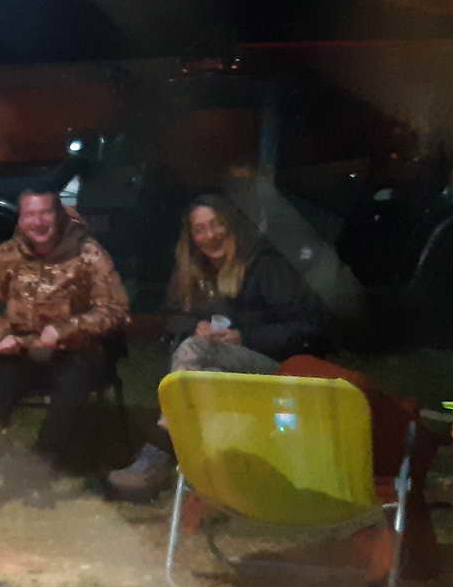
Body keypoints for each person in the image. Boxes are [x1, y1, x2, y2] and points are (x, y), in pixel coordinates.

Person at [108, 192, 327, 497]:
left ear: (231, 225)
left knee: (192, 351)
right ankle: (208, 478)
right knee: (198, 361)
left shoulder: (264, 266)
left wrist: (245, 336)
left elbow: (309, 327)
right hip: (214, 368)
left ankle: (159, 454)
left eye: (216, 224)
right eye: (200, 229)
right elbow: (169, 318)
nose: (210, 235)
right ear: (191, 237)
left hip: (269, 368)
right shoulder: (191, 271)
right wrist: (193, 326)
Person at [0, 189, 129, 503]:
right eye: (30, 214)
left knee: (73, 384)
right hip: (22, 350)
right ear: (20, 219)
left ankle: (38, 470)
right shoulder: (6, 255)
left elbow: (115, 308)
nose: (38, 222)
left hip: (75, 351)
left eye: (45, 213)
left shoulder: (88, 253)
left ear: (59, 215)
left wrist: (67, 329)